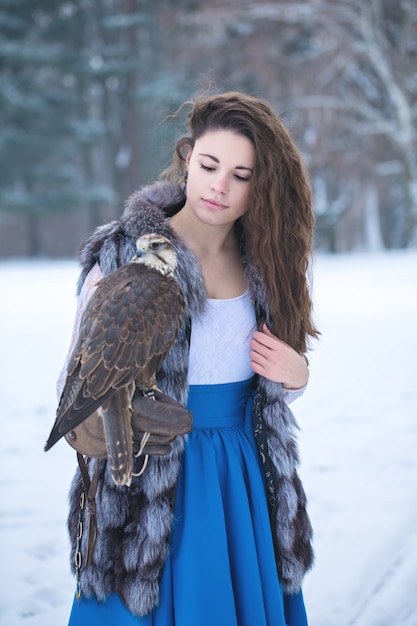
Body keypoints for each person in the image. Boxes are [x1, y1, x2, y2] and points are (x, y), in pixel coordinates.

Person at [58, 90, 319, 626]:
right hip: (147, 486)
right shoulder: (125, 257)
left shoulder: (268, 262)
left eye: (242, 175)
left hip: (240, 483)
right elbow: (74, 390)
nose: (220, 187)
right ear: (187, 157)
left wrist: (299, 375)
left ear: (261, 186)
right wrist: (125, 422)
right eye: (209, 165)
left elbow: (274, 383)